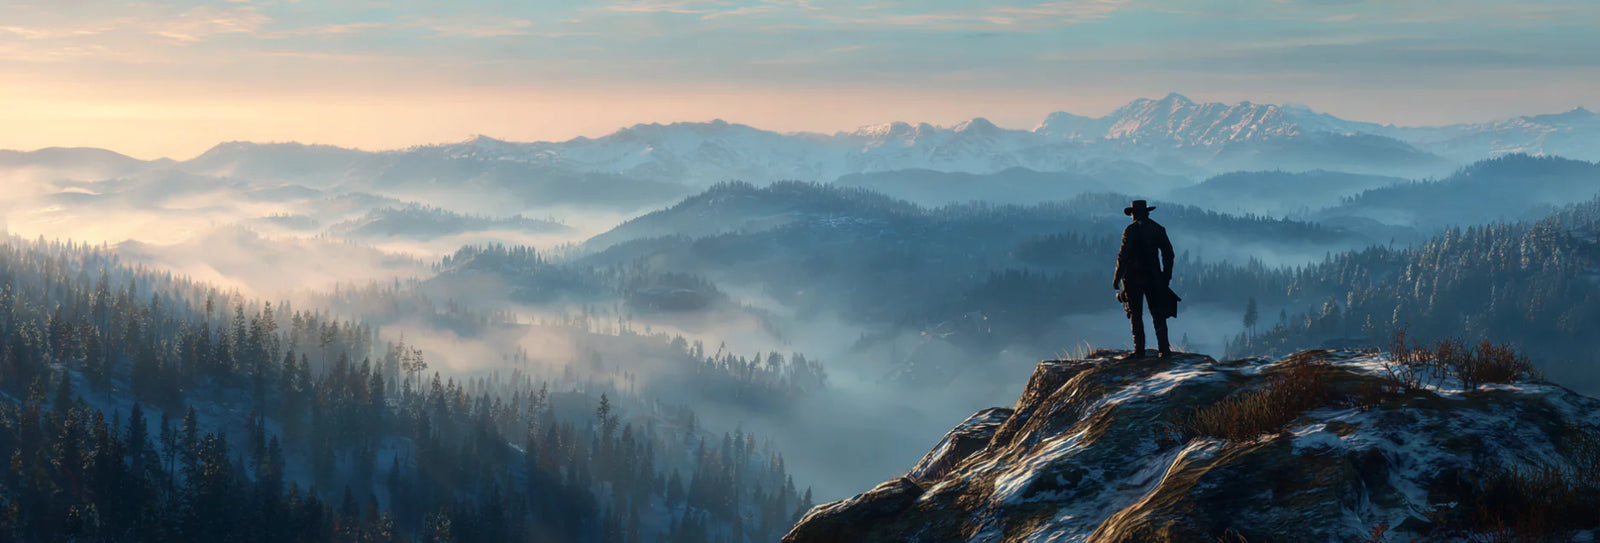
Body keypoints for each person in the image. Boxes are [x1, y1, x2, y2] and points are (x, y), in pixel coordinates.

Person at [1113, 200, 1178, 358]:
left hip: (1132, 279)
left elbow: (1122, 257)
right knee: (1158, 314)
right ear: (1147, 212)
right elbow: (1168, 254)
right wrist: (1165, 276)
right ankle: (1164, 349)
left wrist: (1117, 277)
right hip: (1154, 278)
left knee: (1135, 315)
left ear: (1134, 214)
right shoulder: (1157, 229)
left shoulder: (1130, 231)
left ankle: (1139, 351)